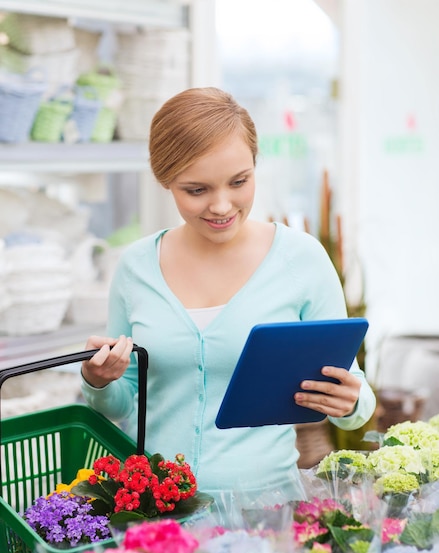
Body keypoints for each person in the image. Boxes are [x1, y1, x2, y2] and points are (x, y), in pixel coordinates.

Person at [81, 87, 376, 506]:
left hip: (267, 509)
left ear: (256, 165)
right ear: (166, 181)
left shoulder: (302, 259)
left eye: (239, 182)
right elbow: (121, 401)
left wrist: (349, 402)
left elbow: (358, 395)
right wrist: (97, 379)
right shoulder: (136, 268)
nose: (222, 206)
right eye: (196, 190)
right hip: (158, 510)